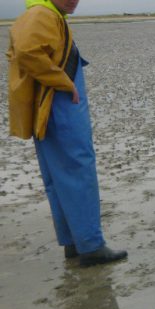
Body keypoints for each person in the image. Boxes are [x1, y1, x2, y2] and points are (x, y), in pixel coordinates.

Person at [7, 0, 127, 266]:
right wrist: (61, 82)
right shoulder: (42, 14)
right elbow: (27, 51)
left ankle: (75, 242)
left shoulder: (47, 13)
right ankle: (91, 246)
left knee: (61, 177)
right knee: (77, 171)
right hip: (59, 108)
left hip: (54, 108)